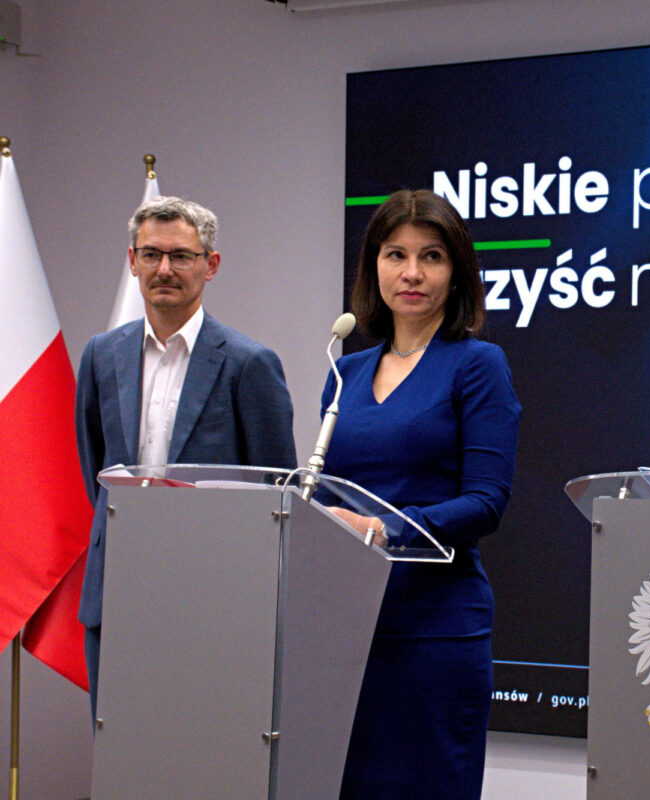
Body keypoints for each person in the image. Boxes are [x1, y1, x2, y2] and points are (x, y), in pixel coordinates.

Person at [316, 189, 520, 799]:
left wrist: (384, 529)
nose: (411, 272)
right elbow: (325, 494)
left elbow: (486, 502)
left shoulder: (477, 364)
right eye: (395, 254)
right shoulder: (345, 371)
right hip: (344, 632)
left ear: (455, 271)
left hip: (434, 632)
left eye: (431, 256)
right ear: (373, 267)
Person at [76, 196, 297, 715]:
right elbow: (95, 470)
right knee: (119, 746)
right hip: (118, 589)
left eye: (181, 256)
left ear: (210, 265)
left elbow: (277, 493)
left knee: (199, 743)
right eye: (151, 254)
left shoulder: (249, 363)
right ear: (132, 261)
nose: (164, 269)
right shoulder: (101, 355)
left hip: (211, 598)